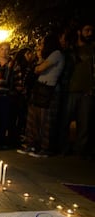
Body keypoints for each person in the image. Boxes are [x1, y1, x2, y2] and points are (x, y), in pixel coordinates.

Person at [17, 32, 65, 157]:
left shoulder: (56, 54)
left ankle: (45, 148)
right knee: (34, 118)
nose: (40, 46)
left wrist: (40, 59)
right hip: (40, 88)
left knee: (45, 121)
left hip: (49, 90)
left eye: (43, 43)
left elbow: (39, 69)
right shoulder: (48, 56)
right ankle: (31, 145)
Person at [58, 20, 94, 158]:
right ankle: (63, 148)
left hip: (87, 91)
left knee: (84, 123)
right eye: (87, 30)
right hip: (70, 90)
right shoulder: (70, 50)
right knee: (65, 121)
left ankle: (81, 151)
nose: (89, 34)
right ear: (80, 32)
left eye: (91, 31)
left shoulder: (92, 50)